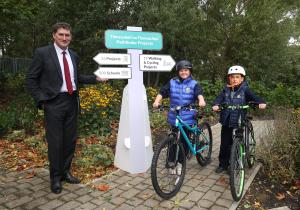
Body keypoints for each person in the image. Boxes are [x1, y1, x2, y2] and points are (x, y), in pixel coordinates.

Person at [26, 22, 107, 194]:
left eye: (67, 35)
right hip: (53, 103)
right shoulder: (42, 53)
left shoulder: (73, 55)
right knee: (56, 143)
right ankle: (55, 178)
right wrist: (42, 100)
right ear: (54, 35)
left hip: (72, 101)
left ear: (70, 37)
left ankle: (65, 173)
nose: (64, 38)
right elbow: (31, 79)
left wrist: (96, 78)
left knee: (70, 141)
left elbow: (77, 78)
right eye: (61, 34)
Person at [153, 59, 206, 177]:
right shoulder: (172, 82)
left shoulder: (194, 83)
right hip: (174, 116)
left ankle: (181, 163)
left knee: (184, 142)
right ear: (178, 72)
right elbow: (163, 92)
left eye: (186, 70)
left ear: (190, 71)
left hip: (188, 116)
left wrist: (201, 100)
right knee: (172, 141)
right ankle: (171, 162)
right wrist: (157, 101)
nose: (184, 72)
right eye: (181, 70)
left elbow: (199, 93)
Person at [212, 65, 266, 173]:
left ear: (242, 78)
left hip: (240, 119)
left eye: (237, 77)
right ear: (229, 78)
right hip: (227, 119)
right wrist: (216, 104)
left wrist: (261, 102)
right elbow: (218, 99)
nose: (234, 79)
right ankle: (223, 164)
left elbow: (255, 97)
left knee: (238, 140)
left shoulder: (245, 90)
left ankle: (235, 162)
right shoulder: (225, 90)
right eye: (232, 77)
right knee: (225, 143)